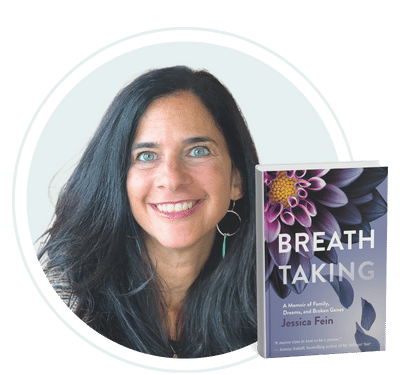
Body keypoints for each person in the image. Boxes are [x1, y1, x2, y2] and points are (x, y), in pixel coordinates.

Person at [38, 66, 259, 359]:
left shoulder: (279, 294)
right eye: (146, 156)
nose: (172, 179)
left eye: (198, 151)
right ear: (118, 180)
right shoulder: (65, 299)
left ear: (237, 180)